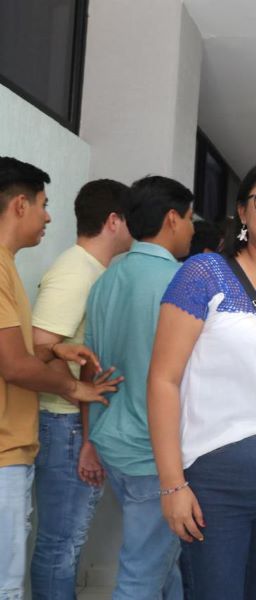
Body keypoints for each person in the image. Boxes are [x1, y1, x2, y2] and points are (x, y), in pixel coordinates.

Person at [148, 159, 256, 599]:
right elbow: (163, 380)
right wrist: (172, 484)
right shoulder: (205, 273)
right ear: (243, 212)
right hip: (216, 469)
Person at [0, 157, 118, 599]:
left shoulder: (8, 264)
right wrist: (74, 386)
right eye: (43, 205)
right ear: (18, 205)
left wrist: (52, 351)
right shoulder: (61, 270)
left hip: (17, 440)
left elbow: (22, 347)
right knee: (21, 574)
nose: (49, 216)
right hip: (16, 441)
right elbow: (12, 364)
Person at [85, 175, 194, 599]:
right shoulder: (181, 283)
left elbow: (93, 372)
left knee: (163, 567)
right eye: (188, 218)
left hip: (114, 441)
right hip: (155, 452)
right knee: (141, 575)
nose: (189, 228)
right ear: (172, 218)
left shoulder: (105, 281)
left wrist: (92, 439)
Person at [30, 178, 133, 599]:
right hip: (64, 422)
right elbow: (37, 349)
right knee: (61, 543)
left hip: (75, 422)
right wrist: (77, 393)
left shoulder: (95, 270)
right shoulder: (75, 271)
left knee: (67, 542)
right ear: (113, 221)